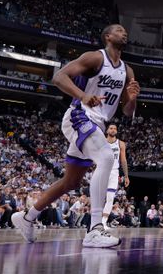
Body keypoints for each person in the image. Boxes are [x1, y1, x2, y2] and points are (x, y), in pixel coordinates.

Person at [11, 24, 140, 247]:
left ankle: (27, 217)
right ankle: (95, 229)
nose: (124, 32)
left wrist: (132, 98)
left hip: (97, 124)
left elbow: (127, 111)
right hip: (79, 115)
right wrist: (83, 96)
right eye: (119, 30)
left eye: (124, 30)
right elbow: (59, 77)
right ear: (107, 36)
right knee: (107, 157)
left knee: (71, 182)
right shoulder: (95, 58)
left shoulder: (127, 71)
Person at [102, 124, 129, 229]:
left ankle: (103, 222)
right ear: (107, 130)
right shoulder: (102, 142)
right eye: (111, 128)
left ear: (117, 131)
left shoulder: (121, 144)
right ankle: (95, 221)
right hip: (102, 170)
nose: (113, 130)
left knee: (110, 198)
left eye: (115, 129)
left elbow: (123, 160)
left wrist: (126, 176)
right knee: (99, 198)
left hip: (114, 172)